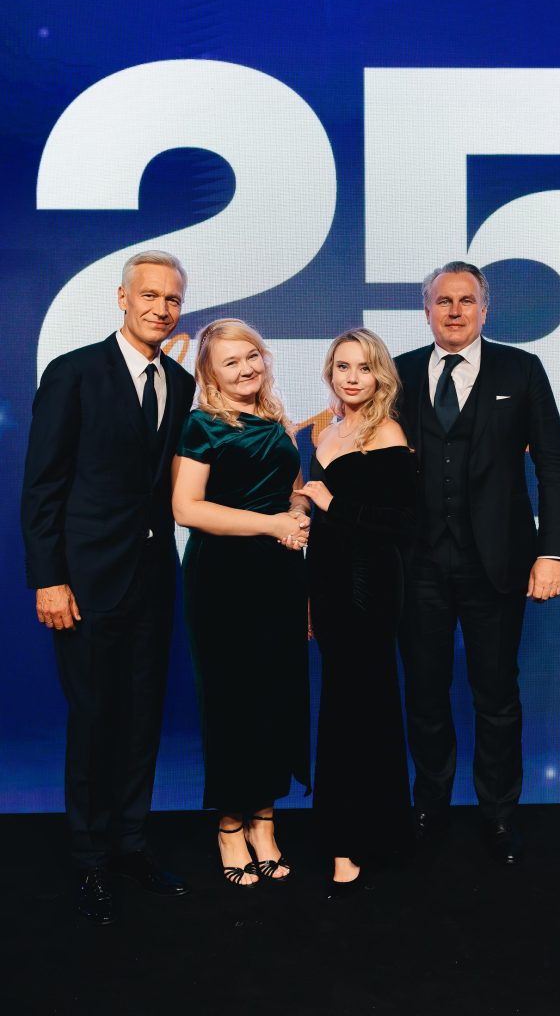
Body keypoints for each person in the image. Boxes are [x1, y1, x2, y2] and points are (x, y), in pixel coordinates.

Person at [21, 250, 197, 924]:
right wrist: (50, 579)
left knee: (142, 717)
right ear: (122, 299)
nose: (161, 308)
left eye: (172, 299)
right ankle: (90, 858)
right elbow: (43, 488)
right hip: (85, 582)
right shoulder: (73, 374)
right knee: (94, 718)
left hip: (153, 581)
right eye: (149, 295)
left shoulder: (180, 382)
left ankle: (130, 844)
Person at [394, 261, 560, 864]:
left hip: (497, 565)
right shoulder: (398, 372)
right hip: (417, 565)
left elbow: (552, 465)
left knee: (496, 696)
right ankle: (429, 806)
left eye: (466, 300)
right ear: (427, 310)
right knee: (424, 693)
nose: (454, 311)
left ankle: (498, 814)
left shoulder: (522, 370)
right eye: (443, 301)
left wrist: (551, 551)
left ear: (484, 310)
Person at [172, 319, 310, 888]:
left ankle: (264, 821)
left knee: (275, 697)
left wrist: (298, 512)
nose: (246, 368)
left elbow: (293, 490)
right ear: (210, 373)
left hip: (279, 575)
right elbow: (187, 508)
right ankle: (230, 825)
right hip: (223, 579)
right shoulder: (201, 425)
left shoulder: (278, 420)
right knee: (232, 701)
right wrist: (273, 524)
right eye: (231, 362)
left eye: (252, 355)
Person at [299, 328, 416, 898]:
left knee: (358, 707)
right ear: (330, 372)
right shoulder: (327, 431)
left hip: (369, 588)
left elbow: (402, 523)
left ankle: (354, 842)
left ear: (380, 376)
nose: (352, 377)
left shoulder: (387, 431)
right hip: (329, 586)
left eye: (364, 367)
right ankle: (355, 835)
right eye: (342, 366)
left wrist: (330, 500)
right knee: (343, 706)